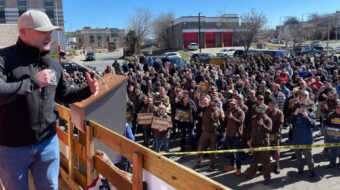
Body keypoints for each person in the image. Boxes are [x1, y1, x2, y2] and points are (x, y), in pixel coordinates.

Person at [0, 10, 99, 190]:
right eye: (42, 31)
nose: (49, 36)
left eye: (50, 31)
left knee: (50, 187)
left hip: (48, 143)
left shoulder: (52, 63)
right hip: (11, 147)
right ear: (23, 32)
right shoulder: (4, 58)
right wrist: (34, 82)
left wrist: (88, 90)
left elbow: (64, 94)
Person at [287, 101, 321, 180]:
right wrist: (294, 115)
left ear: (307, 107)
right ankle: (300, 171)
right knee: (298, 158)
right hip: (297, 140)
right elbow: (288, 121)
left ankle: (312, 172)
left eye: (304, 107)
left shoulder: (311, 114)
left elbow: (312, 125)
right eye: (301, 107)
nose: (302, 108)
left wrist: (307, 117)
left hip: (306, 141)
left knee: (309, 158)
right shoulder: (296, 114)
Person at [246, 104, 272, 185]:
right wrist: (248, 140)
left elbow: (270, 130)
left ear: (265, 110)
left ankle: (267, 178)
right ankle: (252, 174)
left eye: (262, 108)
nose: (260, 110)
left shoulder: (268, 119)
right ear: (256, 109)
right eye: (258, 108)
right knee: (254, 160)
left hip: (263, 144)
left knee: (265, 162)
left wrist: (262, 124)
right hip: (254, 143)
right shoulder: (253, 118)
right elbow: (248, 129)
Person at [223, 99, 245, 176]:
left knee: (238, 154)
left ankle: (238, 169)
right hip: (228, 135)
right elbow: (225, 122)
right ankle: (232, 165)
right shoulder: (228, 111)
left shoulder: (240, 112)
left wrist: (232, 117)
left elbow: (240, 122)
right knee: (231, 152)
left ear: (236, 104)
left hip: (236, 136)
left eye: (233, 104)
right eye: (230, 104)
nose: (231, 105)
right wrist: (223, 130)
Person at [265, 97, 284, 174]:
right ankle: (265, 164)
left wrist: (272, 131)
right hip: (267, 134)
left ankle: (277, 165)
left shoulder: (279, 112)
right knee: (266, 150)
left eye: (272, 103)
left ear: (275, 104)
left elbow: (280, 124)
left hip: (275, 134)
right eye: (269, 103)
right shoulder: (266, 111)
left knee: (277, 151)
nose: (270, 105)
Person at [324, 101, 340, 168]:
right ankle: (332, 163)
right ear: (335, 107)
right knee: (332, 151)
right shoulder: (330, 115)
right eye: (338, 107)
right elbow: (325, 124)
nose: (339, 109)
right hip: (332, 137)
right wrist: (328, 129)